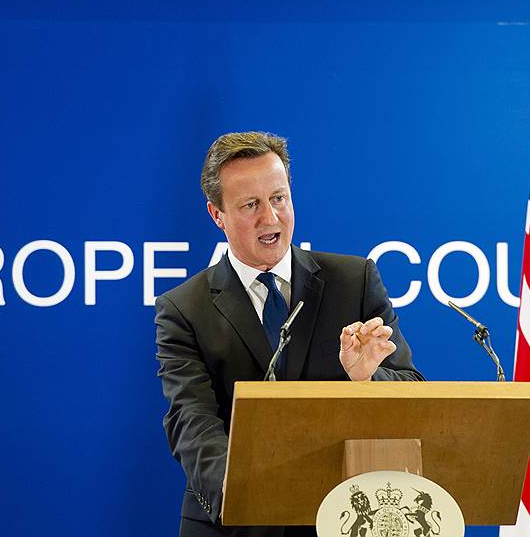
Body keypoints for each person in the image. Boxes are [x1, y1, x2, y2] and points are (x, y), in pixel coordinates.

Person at [155, 131, 423, 537]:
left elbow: (413, 391)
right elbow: (191, 417)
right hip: (234, 524)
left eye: (278, 198)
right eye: (250, 205)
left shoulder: (354, 281)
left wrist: (366, 378)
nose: (271, 218)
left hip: (342, 519)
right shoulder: (183, 309)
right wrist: (239, 491)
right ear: (217, 214)